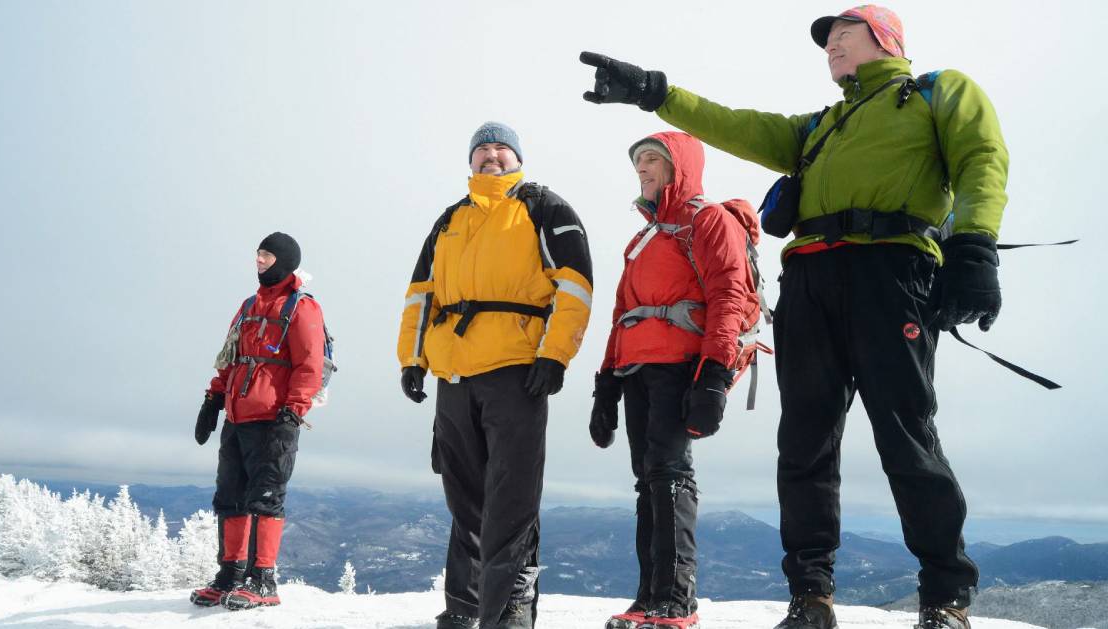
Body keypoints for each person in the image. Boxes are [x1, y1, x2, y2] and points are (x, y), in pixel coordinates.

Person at [580, 5, 1006, 629]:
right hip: (808, 279)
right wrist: (656, 92)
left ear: (885, 40)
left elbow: (982, 160)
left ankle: (945, 598)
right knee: (803, 443)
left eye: (843, 34)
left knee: (907, 436)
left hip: (891, 271)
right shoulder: (819, 126)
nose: (831, 46)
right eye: (827, 40)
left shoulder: (935, 92)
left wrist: (975, 245)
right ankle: (811, 596)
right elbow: (735, 126)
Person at [396, 122, 593, 629]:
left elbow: (574, 286)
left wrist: (555, 356)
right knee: (463, 494)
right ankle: (463, 608)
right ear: (470, 161)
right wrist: (411, 359)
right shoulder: (449, 220)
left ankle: (509, 610)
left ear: (518, 158)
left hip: (515, 371)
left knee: (512, 495)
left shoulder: (545, 208)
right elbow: (421, 294)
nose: (491, 155)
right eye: (482, 149)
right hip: (453, 374)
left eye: (501, 148)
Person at [589, 131, 760, 629]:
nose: (641, 169)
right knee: (648, 481)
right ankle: (648, 599)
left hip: (682, 367)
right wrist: (606, 384)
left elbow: (729, 295)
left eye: (651, 160)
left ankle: (676, 602)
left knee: (669, 475)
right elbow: (622, 313)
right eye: (637, 161)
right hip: (638, 369)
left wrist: (713, 374)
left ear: (678, 166)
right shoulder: (644, 238)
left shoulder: (708, 221)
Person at [190, 231, 325, 611]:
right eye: (258, 254)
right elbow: (229, 356)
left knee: (265, 498)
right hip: (237, 416)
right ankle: (230, 576)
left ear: (283, 260)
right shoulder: (249, 305)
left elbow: (309, 366)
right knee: (229, 497)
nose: (259, 260)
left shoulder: (302, 308)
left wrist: (293, 412)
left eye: (266, 255)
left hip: (274, 419)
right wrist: (213, 398)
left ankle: (263, 580)